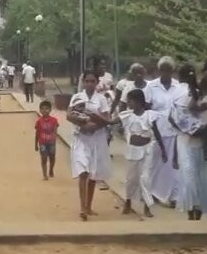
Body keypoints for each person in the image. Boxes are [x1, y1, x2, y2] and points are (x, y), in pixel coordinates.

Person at [171, 63, 207, 219]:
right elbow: (177, 116)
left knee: (202, 179)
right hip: (186, 140)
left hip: (205, 142)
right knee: (188, 176)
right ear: (202, 72)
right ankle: (189, 211)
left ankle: (198, 215)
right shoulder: (186, 92)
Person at [68, 70, 112, 220]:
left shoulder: (102, 99)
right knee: (83, 172)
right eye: (87, 81)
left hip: (97, 139)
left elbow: (106, 119)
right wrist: (82, 123)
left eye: (92, 81)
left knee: (93, 174)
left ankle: (88, 206)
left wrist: (93, 124)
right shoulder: (77, 97)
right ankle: (82, 208)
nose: (89, 84)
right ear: (83, 82)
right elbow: (69, 115)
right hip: (81, 138)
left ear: (97, 83)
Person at [144, 56, 187, 207]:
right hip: (157, 128)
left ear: (172, 71)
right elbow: (148, 108)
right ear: (159, 70)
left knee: (174, 163)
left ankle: (173, 195)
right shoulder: (152, 86)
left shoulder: (178, 86)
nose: (166, 73)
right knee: (158, 161)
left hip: (175, 128)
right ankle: (154, 191)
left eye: (169, 70)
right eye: (163, 70)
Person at [119, 88, 165, 218]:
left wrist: (163, 150)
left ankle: (147, 206)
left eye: (130, 101)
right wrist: (100, 120)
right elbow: (112, 122)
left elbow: (156, 133)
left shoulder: (150, 115)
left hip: (147, 150)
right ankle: (128, 201)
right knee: (131, 179)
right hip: (133, 151)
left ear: (138, 102)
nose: (128, 103)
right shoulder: (127, 115)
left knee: (145, 178)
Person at [34, 100, 59, 180]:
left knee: (52, 157)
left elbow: (55, 132)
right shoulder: (39, 121)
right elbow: (37, 133)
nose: (44, 111)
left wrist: (54, 141)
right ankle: (44, 174)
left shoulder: (54, 120)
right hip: (42, 143)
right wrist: (36, 144)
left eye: (47, 109)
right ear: (40, 110)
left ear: (50, 109)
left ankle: (51, 169)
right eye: (42, 109)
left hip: (51, 142)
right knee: (44, 157)